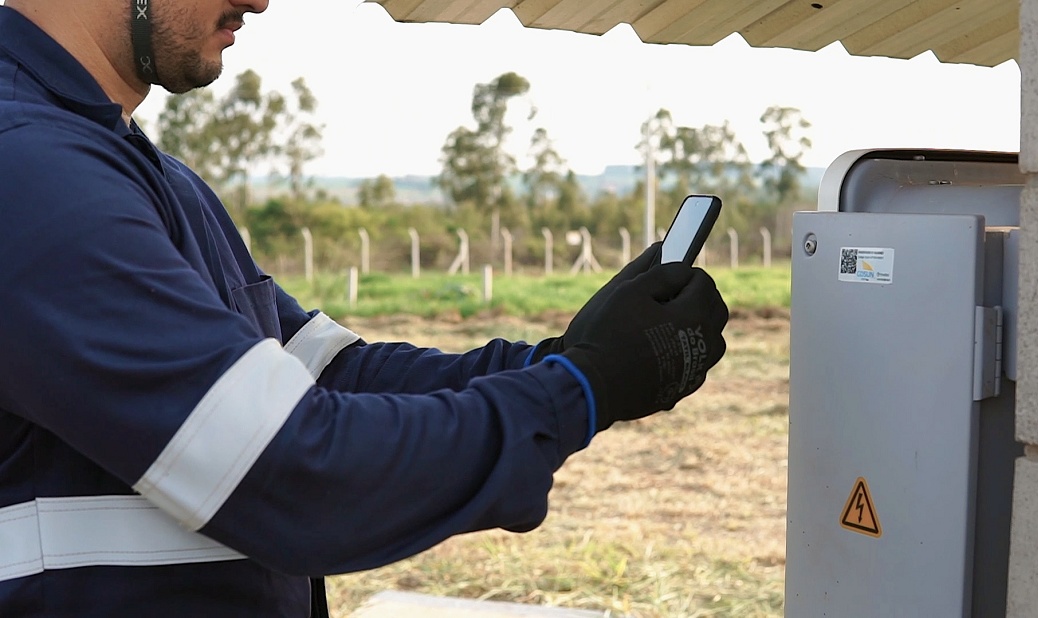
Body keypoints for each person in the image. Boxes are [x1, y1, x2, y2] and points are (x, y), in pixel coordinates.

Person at [0, 1, 729, 616]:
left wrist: (570, 358)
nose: (259, 1)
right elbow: (293, 472)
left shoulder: (138, 171)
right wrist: (582, 390)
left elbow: (325, 377)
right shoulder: (31, 172)